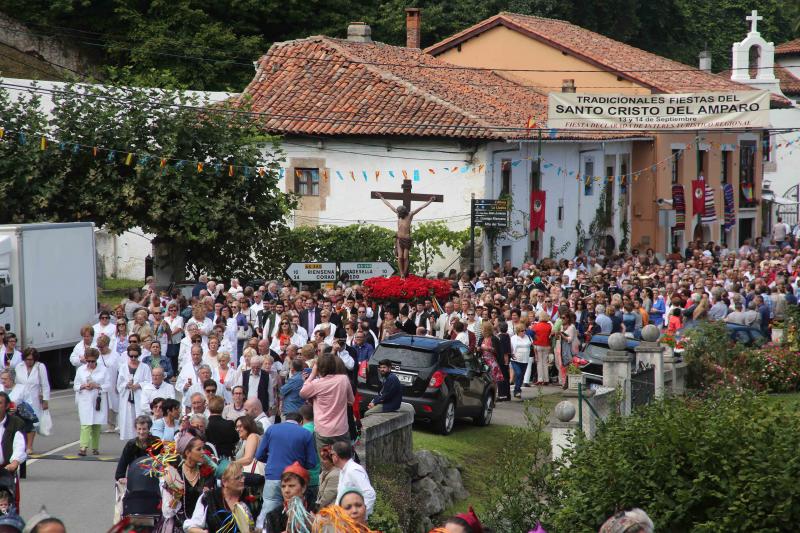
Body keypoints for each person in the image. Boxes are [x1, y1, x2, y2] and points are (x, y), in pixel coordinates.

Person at [254, 412, 318, 520]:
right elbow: (312, 462)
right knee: (295, 514)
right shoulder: (305, 433)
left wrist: (271, 460)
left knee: (267, 512)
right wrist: (299, 465)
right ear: (301, 422)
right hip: (295, 481)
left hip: (273, 476)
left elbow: (259, 455)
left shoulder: (271, 429)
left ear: (285, 419)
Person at [155, 433, 215, 532]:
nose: (203, 452)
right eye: (199, 449)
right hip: (179, 526)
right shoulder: (174, 474)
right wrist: (176, 497)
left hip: (201, 526)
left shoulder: (206, 473)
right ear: (187, 453)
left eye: (203, 448)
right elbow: (167, 512)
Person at [300, 352, 354, 451]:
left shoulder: (316, 384)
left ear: (318, 368)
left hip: (323, 430)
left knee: (326, 462)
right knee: (344, 461)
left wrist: (312, 375)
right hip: (340, 428)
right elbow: (351, 401)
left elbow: (302, 393)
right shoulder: (344, 379)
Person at [375, 192, 436, 278]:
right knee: (400, 257)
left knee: (405, 257)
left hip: (406, 239)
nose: (398, 213)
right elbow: (389, 205)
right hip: (399, 239)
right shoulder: (399, 215)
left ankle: (404, 272)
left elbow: (421, 207)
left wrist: (430, 201)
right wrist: (381, 197)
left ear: (403, 212)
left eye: (400, 212)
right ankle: (402, 274)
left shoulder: (410, 215)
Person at [183, 462, 258, 533]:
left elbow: (261, 525)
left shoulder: (250, 497)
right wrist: (202, 532)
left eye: (242, 476)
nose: (242, 480)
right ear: (225, 482)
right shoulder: (209, 498)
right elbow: (191, 526)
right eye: (238, 478)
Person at [73, 348, 110, 456]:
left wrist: (97, 385)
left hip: (98, 400)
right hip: (85, 400)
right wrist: (83, 386)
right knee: (85, 424)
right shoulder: (80, 370)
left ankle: (95, 447)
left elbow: (108, 385)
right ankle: (83, 447)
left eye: (92, 361)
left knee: (96, 424)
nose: (90, 363)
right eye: (88, 361)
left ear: (96, 360)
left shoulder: (103, 370)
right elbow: (75, 386)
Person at [261, 462, 314, 533]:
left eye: (291, 486)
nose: (286, 491)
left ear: (303, 488)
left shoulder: (315, 511)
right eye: (283, 486)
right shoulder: (273, 516)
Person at [14, 347, 49, 454]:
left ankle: (29, 446)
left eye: (31, 359)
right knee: (21, 423)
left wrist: (45, 400)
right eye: (27, 359)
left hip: (34, 399)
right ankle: (22, 445)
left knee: (32, 423)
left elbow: (45, 384)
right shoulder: (19, 367)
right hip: (21, 399)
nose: (29, 361)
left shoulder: (40, 367)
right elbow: (16, 383)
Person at [331, 440, 376, 517]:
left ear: (335, 456)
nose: (330, 456)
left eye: (331, 454)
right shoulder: (344, 470)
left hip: (352, 522)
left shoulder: (353, 470)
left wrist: (359, 516)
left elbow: (369, 494)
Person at [117, 345, 152, 441]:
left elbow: (149, 382)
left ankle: (143, 440)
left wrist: (139, 385)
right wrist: (126, 385)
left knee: (141, 420)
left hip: (139, 398)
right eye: (131, 356)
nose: (133, 358)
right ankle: (131, 442)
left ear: (139, 355)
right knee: (128, 421)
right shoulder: (123, 367)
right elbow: (119, 384)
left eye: (135, 356)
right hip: (127, 399)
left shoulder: (145, 367)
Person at [0, 391, 25, 514]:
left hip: (5, 470)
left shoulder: (16, 423)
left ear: (6, 406)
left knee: (9, 505)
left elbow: (19, 444)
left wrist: (15, 462)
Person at [115, 414, 158, 483]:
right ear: (136, 429)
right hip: (134, 477)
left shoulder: (156, 442)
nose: (141, 432)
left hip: (152, 477)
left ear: (149, 429)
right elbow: (123, 462)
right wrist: (120, 477)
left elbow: (162, 462)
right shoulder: (131, 444)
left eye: (144, 429)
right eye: (139, 429)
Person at [241, 356, 277, 423]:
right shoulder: (244, 374)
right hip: (246, 407)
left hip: (261, 407)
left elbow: (270, 393)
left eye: (257, 368)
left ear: (261, 365)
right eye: (253, 367)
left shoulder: (266, 375)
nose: (255, 369)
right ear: (250, 365)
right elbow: (239, 389)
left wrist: (270, 406)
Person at [509, 323, 531, 399]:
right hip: (515, 360)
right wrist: (511, 354)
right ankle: (517, 391)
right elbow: (511, 348)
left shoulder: (527, 337)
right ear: (518, 331)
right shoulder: (513, 338)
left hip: (525, 360)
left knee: (521, 376)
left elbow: (531, 345)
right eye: (522, 331)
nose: (524, 332)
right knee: (518, 373)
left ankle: (517, 390)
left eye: (524, 330)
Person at [532, 311, 553, 386]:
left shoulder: (536, 325)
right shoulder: (549, 325)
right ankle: (546, 379)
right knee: (545, 363)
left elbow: (532, 335)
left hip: (538, 345)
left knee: (539, 362)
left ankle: (540, 379)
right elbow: (551, 335)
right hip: (547, 345)